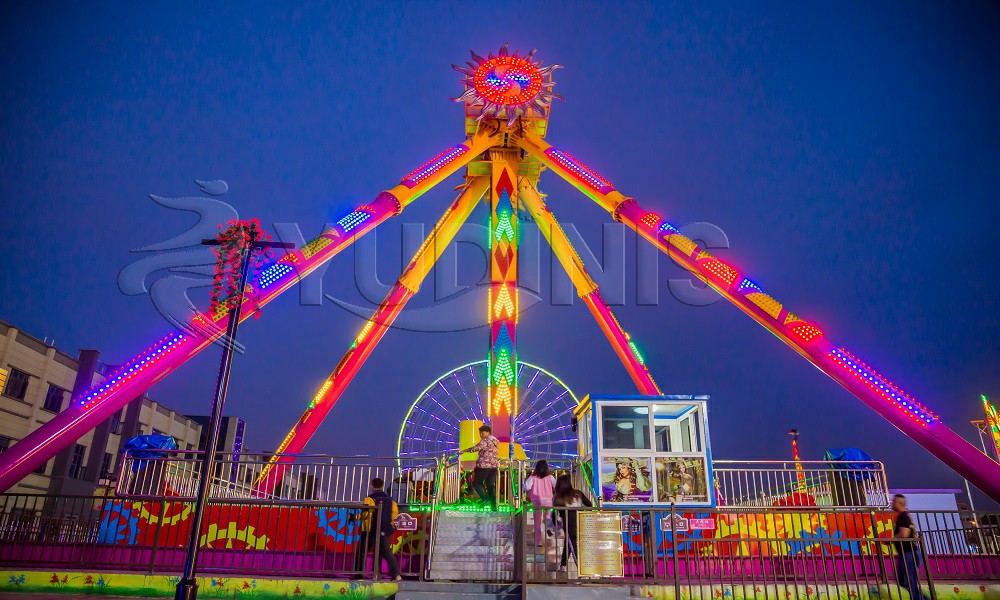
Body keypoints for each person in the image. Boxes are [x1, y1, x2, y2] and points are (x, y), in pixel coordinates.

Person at [360, 477, 402, 581]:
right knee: (385, 551)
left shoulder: (370, 498)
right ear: (382, 486)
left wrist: (355, 517)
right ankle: (394, 575)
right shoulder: (390, 499)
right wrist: (390, 525)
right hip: (384, 529)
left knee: (362, 551)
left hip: (370, 529)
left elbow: (366, 514)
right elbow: (395, 513)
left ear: (371, 486)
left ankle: (360, 573)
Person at [553, 474, 592, 571]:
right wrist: (583, 512)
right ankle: (566, 565)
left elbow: (554, 514)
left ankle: (579, 566)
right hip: (580, 521)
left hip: (568, 524)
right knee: (570, 542)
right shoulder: (578, 493)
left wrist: (556, 523)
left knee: (571, 542)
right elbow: (589, 504)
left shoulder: (558, 498)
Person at [892, 494, 927, 600]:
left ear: (900, 503)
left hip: (908, 553)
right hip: (908, 553)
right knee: (905, 582)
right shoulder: (904, 515)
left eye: (894, 502)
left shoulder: (903, 516)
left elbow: (904, 534)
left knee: (909, 583)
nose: (892, 504)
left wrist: (891, 540)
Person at [460, 425, 500, 509]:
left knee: (476, 483)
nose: (481, 435)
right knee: (490, 484)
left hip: (483, 466)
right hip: (494, 467)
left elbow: (476, 448)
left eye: (482, 432)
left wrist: (464, 451)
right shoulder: (495, 442)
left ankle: (485, 499)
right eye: (480, 433)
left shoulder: (485, 440)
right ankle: (493, 504)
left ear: (488, 432)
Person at [524, 460, 556, 546]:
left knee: (537, 521)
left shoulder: (533, 477)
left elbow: (526, 487)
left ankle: (538, 541)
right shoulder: (550, 477)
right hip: (548, 500)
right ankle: (548, 528)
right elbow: (556, 485)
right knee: (548, 516)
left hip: (537, 500)